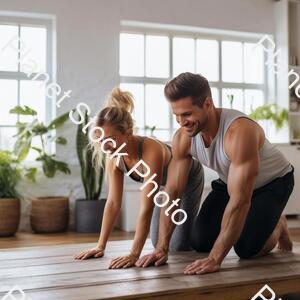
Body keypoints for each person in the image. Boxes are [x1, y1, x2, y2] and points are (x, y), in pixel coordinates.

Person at [136, 72, 294, 275]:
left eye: (187, 114)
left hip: (273, 183)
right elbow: (173, 192)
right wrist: (161, 248)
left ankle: (277, 225)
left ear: (208, 104)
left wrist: (215, 258)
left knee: (246, 248)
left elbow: (240, 200)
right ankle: (263, 220)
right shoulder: (183, 138)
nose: (181, 122)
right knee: (200, 241)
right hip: (230, 181)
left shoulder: (238, 132)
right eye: (176, 115)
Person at [74, 87, 204, 268]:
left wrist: (134, 254)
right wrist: (100, 245)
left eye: (111, 139)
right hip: (166, 188)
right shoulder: (114, 158)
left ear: (128, 131)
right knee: (157, 242)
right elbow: (112, 203)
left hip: (189, 177)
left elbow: (147, 205)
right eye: (102, 140)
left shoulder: (151, 150)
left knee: (178, 245)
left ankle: (206, 228)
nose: (106, 146)